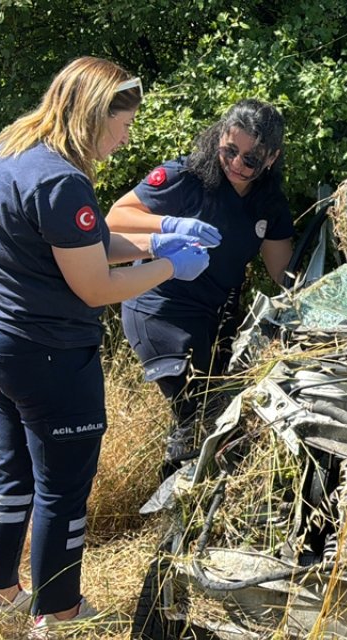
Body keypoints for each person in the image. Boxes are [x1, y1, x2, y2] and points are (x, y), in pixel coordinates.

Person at [0, 57, 210, 637]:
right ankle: (59, 611)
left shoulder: (15, 147)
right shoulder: (62, 179)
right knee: (63, 487)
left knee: (14, 468)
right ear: (94, 115)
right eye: (121, 126)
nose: (125, 141)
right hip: (45, 353)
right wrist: (169, 265)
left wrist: (159, 234)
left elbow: (82, 241)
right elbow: (95, 284)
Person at [107, 99, 293, 473]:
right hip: (159, 306)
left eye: (251, 159)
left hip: (214, 316)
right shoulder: (186, 176)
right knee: (197, 411)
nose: (237, 164)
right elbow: (115, 218)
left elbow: (284, 274)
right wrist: (168, 228)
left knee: (215, 415)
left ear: (270, 158)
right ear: (219, 138)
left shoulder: (268, 202)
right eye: (229, 150)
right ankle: (181, 502)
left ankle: (181, 486)